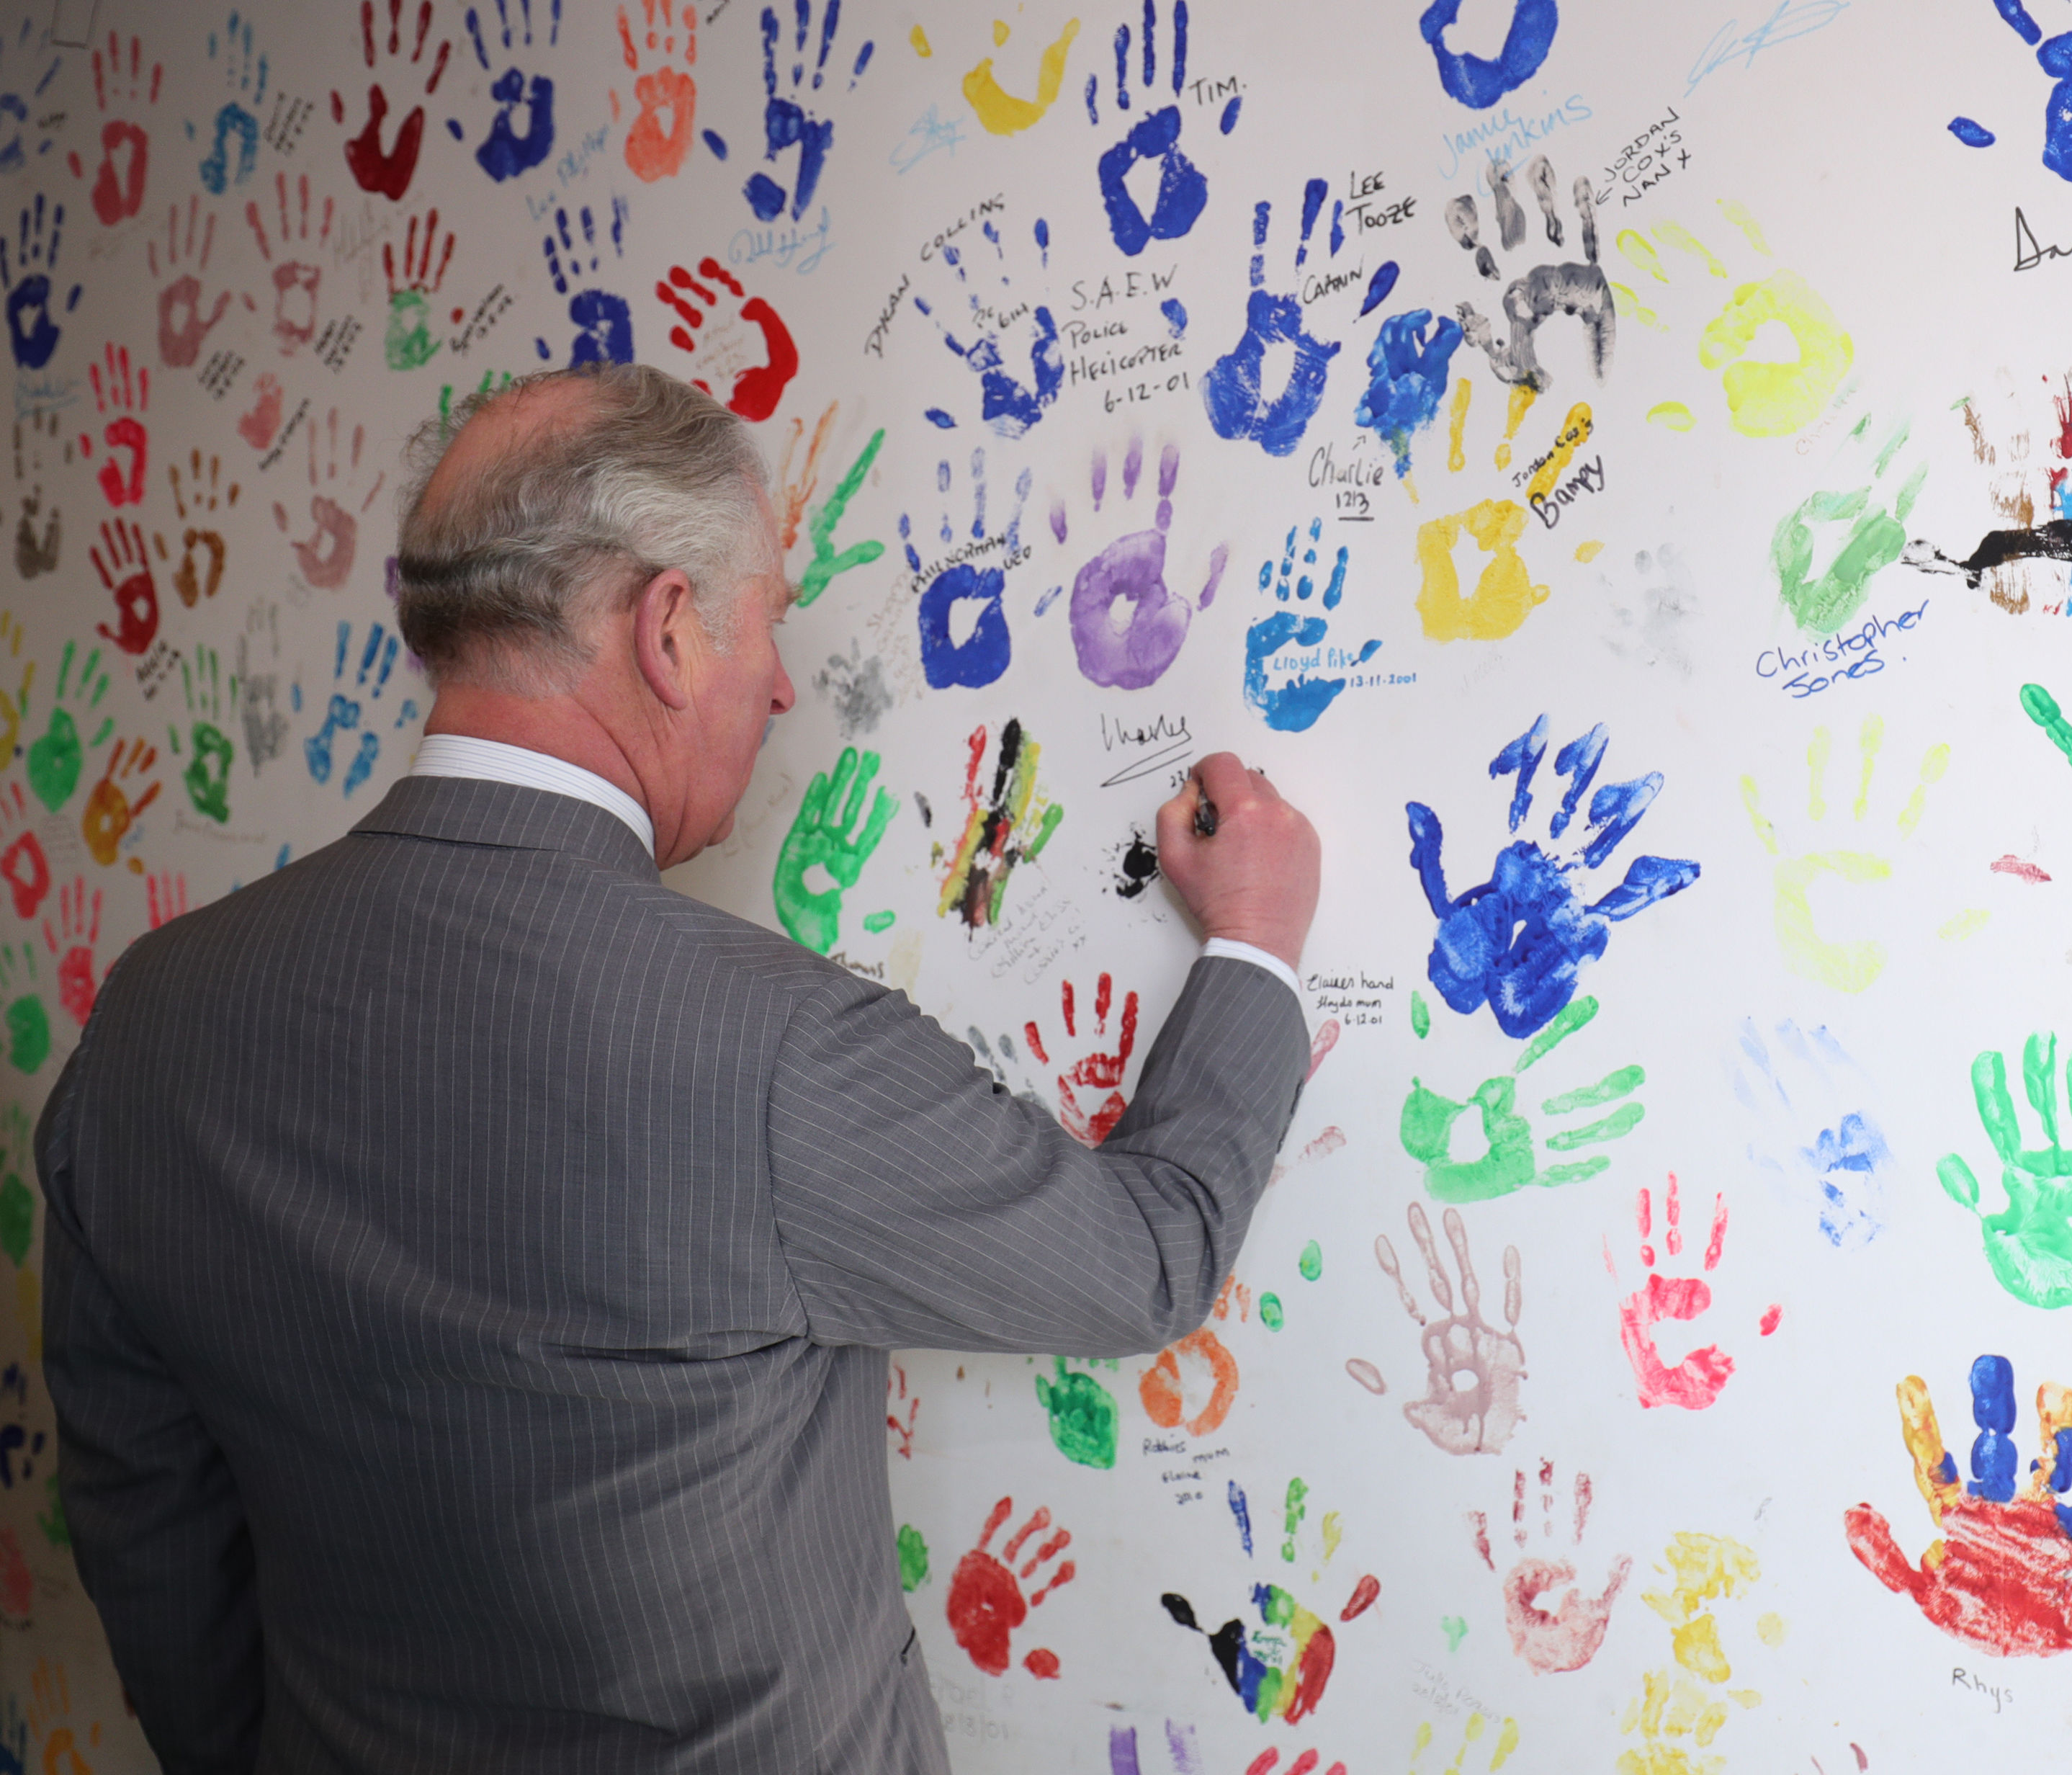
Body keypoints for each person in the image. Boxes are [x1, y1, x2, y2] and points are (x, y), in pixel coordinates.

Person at [38, 363, 1320, 1771]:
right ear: (663, 628)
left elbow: (148, 1527)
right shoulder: (767, 1048)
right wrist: (1255, 939)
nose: (777, 682)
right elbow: (1143, 1254)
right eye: (764, 618)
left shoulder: (150, 1023)